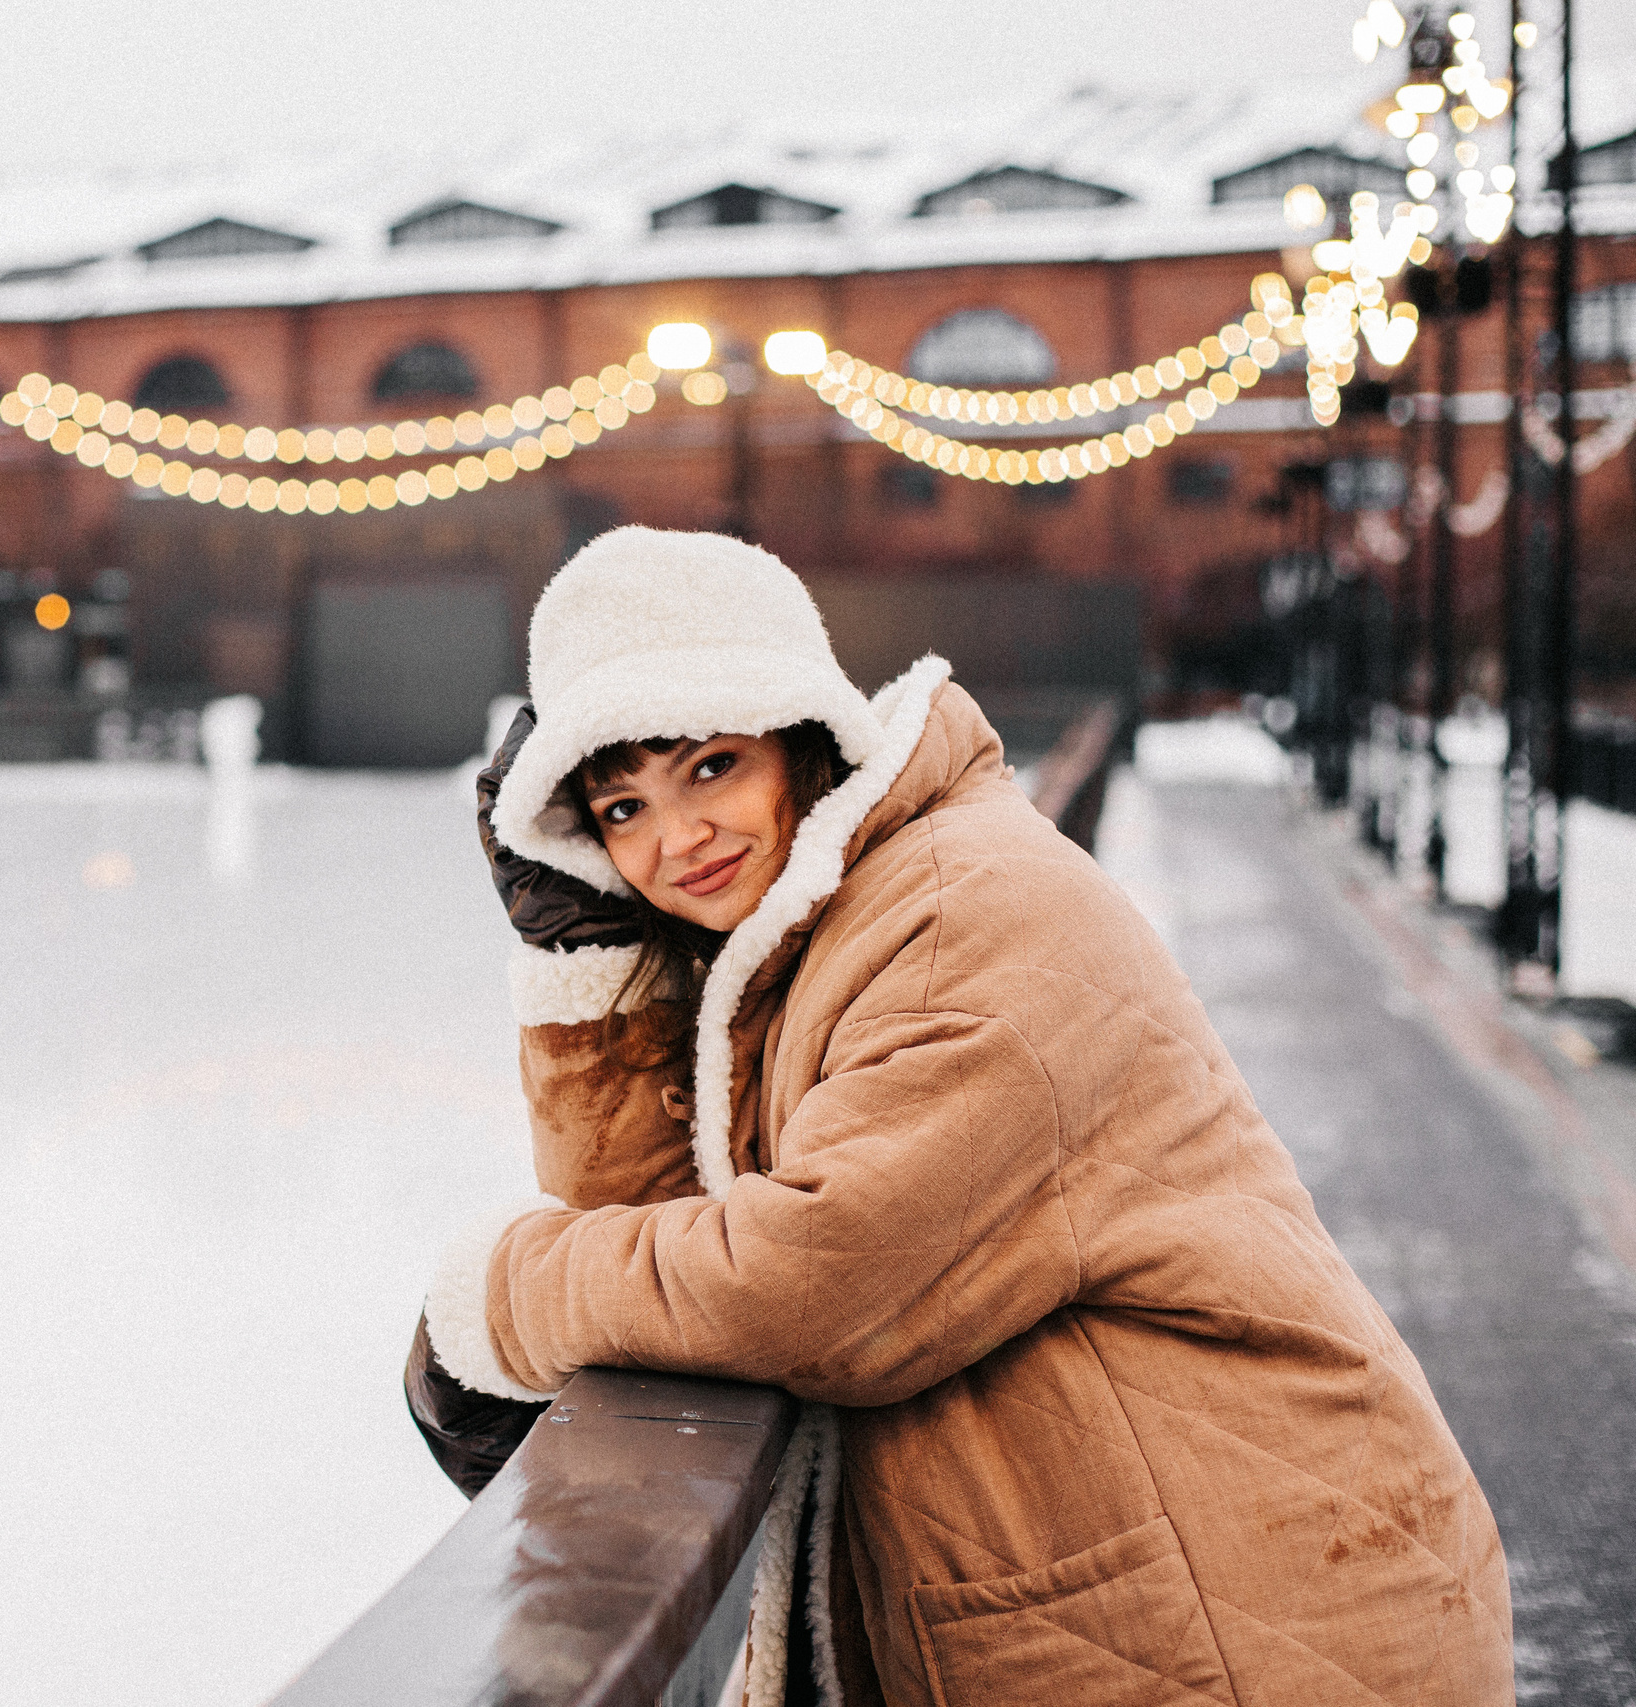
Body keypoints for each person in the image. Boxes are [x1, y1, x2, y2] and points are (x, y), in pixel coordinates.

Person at [408, 528, 1511, 1707]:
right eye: (621, 808)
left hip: (1251, 1615)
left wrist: (503, 1297)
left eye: (712, 767)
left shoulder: (958, 910)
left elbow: (810, 1283)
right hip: (1150, 1600)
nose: (675, 841)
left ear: (803, 736)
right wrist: (593, 962)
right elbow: (669, 1222)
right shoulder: (807, 931)